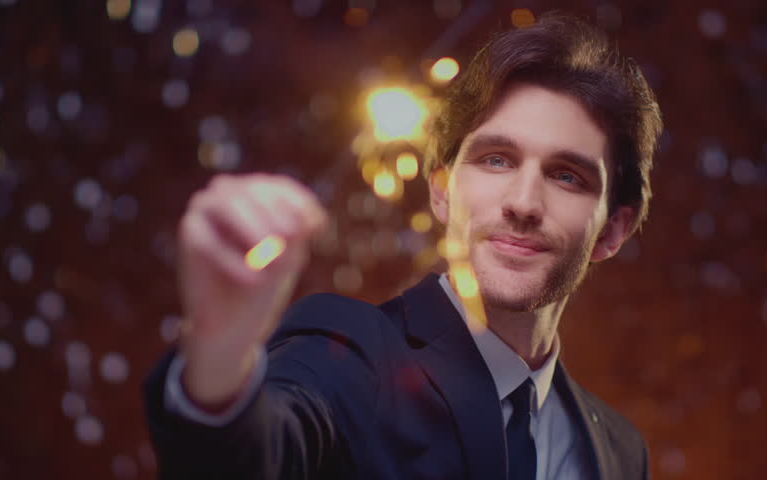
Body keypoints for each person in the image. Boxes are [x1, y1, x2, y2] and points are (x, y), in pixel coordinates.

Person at [143, 11, 663, 480]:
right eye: (496, 159)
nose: (523, 202)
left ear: (612, 230)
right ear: (441, 193)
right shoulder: (348, 351)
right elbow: (256, 455)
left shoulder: (618, 450)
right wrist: (218, 362)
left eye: (567, 176)